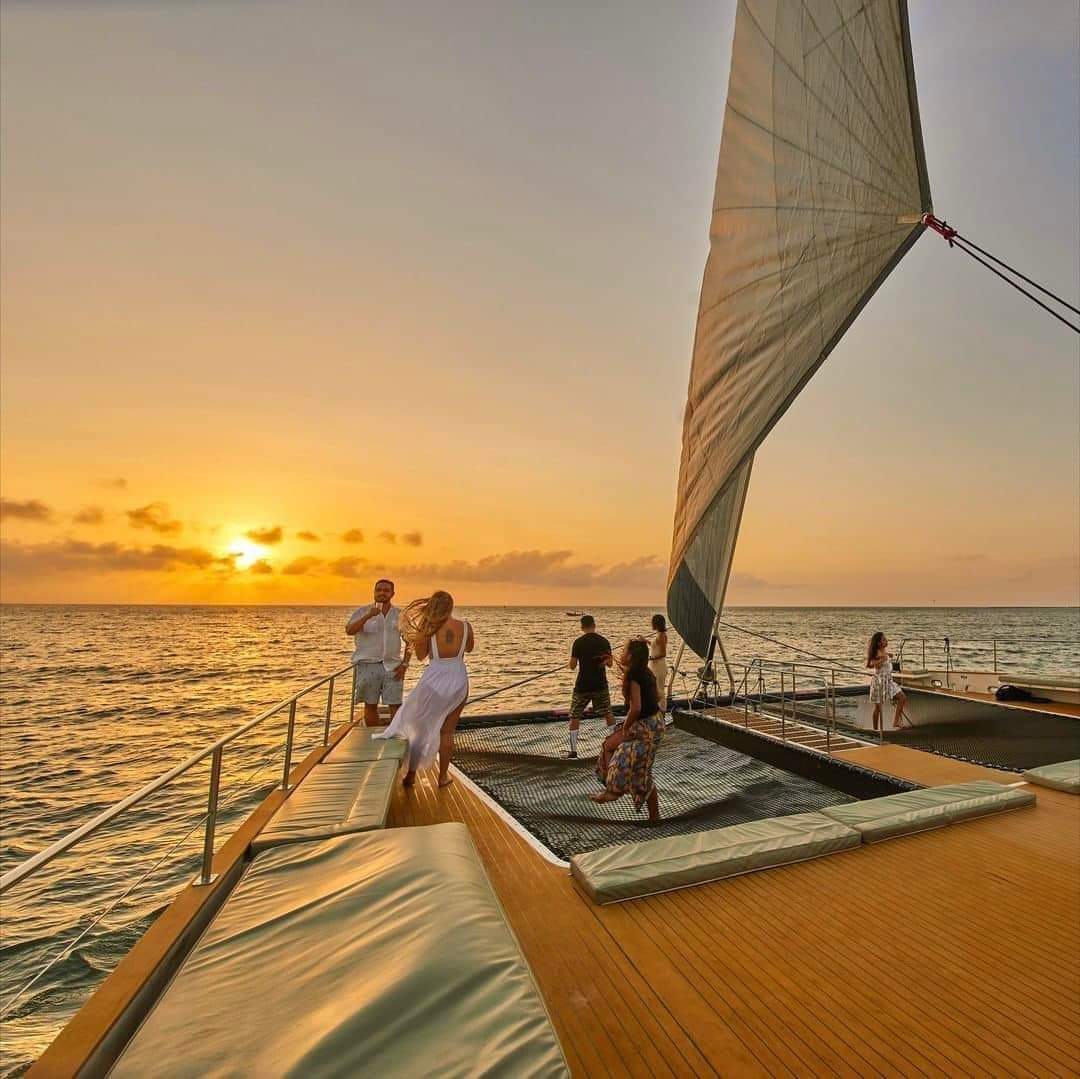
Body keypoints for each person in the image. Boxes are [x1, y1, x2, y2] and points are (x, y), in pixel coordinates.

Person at [375, 591, 473, 788]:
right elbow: (469, 648)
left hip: (434, 679)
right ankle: (443, 776)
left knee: (418, 730)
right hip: (459, 679)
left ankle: (411, 775)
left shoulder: (428, 629)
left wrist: (416, 638)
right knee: (447, 732)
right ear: (451, 606)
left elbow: (421, 656)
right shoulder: (465, 626)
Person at [590, 639, 664, 822]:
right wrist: (613, 660)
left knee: (614, 749)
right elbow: (653, 696)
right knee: (640, 771)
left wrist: (626, 727)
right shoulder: (644, 672)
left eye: (623, 651)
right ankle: (655, 817)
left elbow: (636, 707)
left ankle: (613, 791)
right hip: (656, 723)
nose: (621, 653)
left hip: (645, 727)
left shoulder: (634, 676)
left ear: (631, 656)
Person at [345, 579, 410, 727]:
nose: (382, 593)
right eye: (379, 590)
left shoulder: (399, 615)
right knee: (370, 704)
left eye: (386, 590)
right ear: (374, 592)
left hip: (393, 666)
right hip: (368, 665)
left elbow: (410, 641)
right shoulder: (362, 611)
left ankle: (395, 740)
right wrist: (368, 616)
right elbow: (349, 630)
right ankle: (371, 738)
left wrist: (405, 663)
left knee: (395, 704)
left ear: (392, 594)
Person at [566, 614, 614, 758]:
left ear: (582, 627)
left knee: (575, 715)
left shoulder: (578, 643)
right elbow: (610, 664)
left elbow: (572, 666)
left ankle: (573, 751)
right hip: (600, 684)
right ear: (594, 625)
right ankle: (614, 746)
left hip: (583, 685)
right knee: (608, 713)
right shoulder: (604, 642)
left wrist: (573, 660)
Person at [867, 631, 910, 730]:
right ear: (879, 643)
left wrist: (887, 654)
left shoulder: (883, 651)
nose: (886, 640)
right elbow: (873, 664)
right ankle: (875, 730)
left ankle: (895, 722)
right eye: (884, 639)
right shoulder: (877, 652)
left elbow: (884, 656)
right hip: (879, 682)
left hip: (889, 681)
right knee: (878, 707)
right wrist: (884, 658)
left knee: (902, 697)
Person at [649, 613, 669, 717]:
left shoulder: (661, 635)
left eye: (652, 622)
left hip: (659, 667)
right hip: (655, 667)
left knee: (660, 690)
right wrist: (646, 641)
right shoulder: (659, 635)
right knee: (655, 690)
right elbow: (655, 646)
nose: (651, 624)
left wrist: (651, 658)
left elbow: (663, 653)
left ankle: (662, 713)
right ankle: (657, 713)